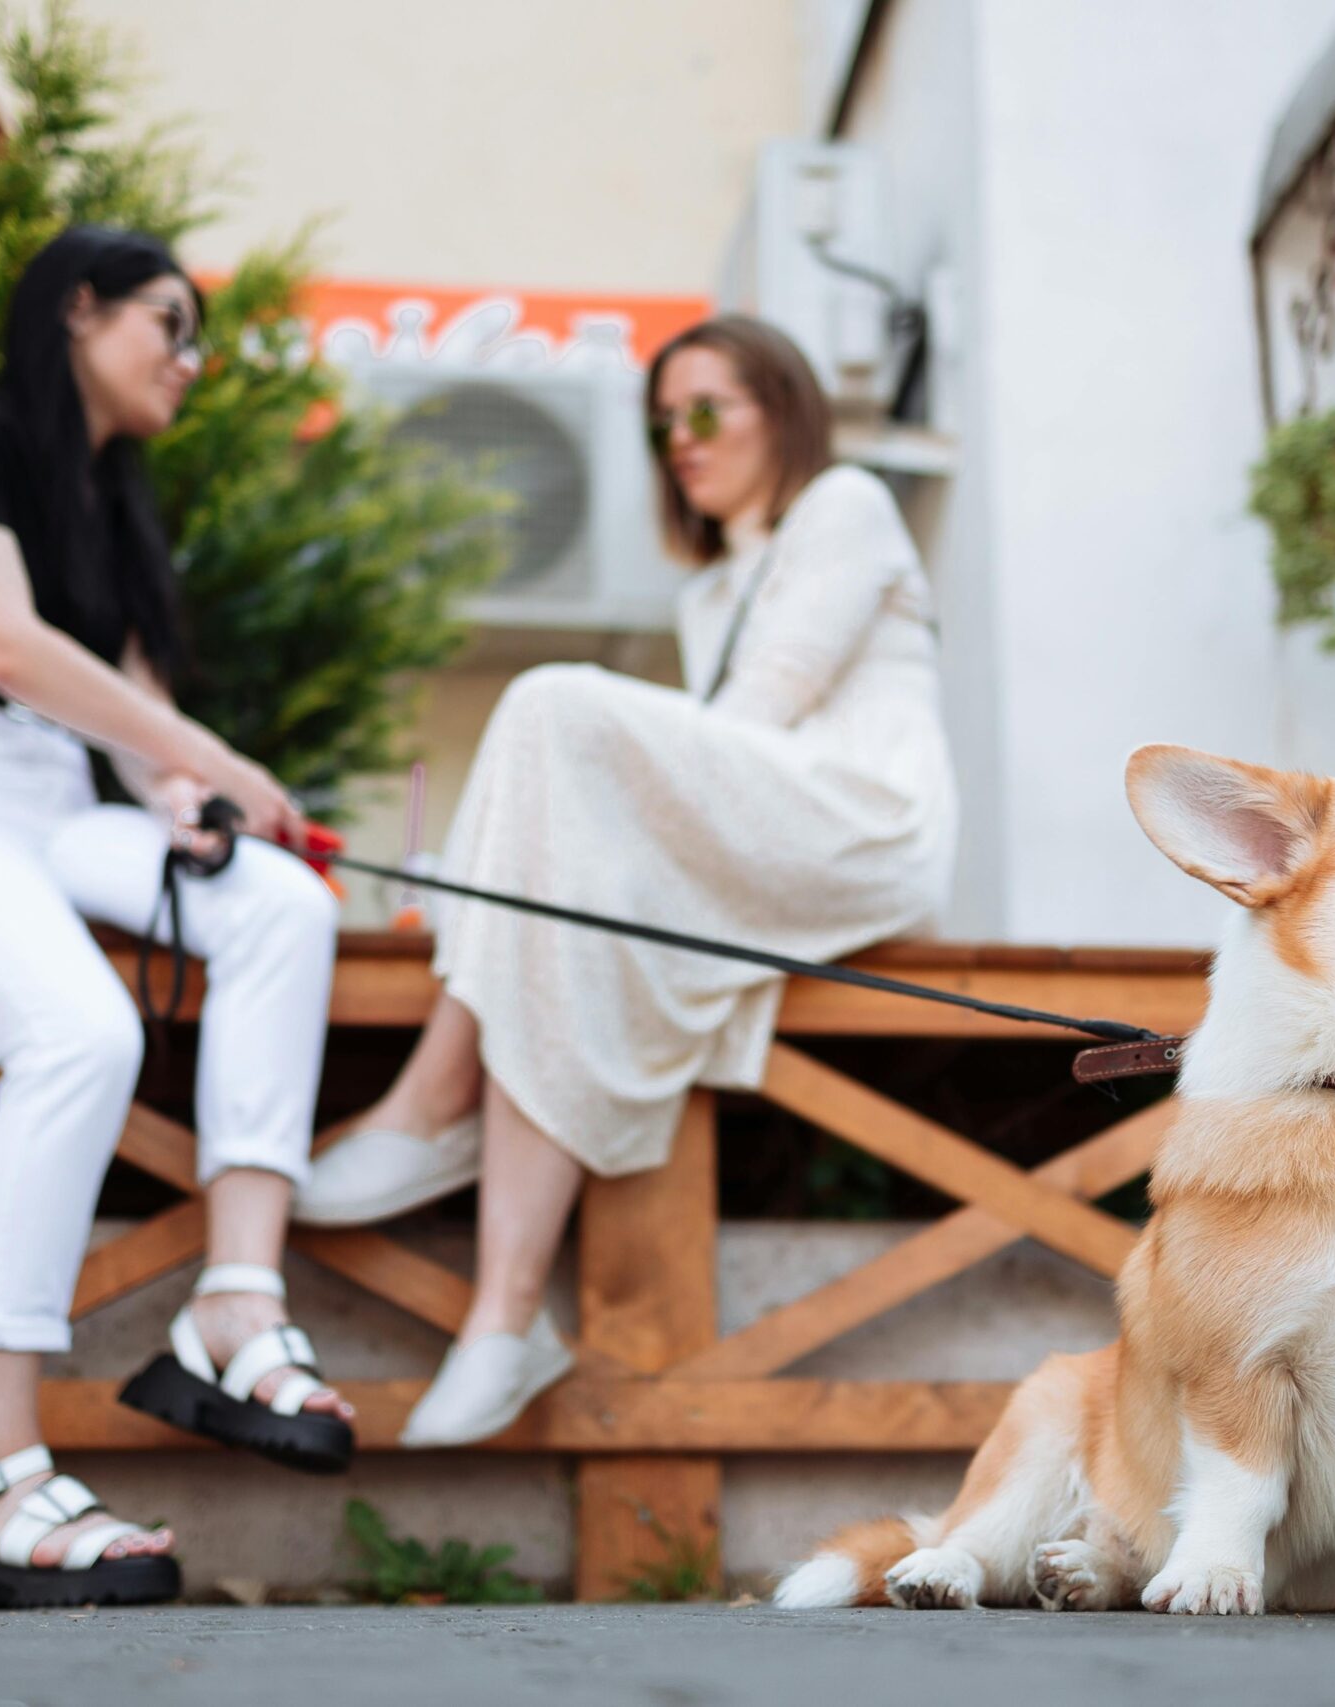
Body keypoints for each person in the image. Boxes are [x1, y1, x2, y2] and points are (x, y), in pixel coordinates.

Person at [295, 315, 958, 1446]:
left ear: (782, 408)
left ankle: (431, 1100)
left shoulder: (845, 503)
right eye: (663, 423)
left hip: (860, 826)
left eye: (706, 410)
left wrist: (625, 806)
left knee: (556, 709)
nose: (680, 441)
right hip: (766, 817)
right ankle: (504, 1326)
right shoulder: (709, 592)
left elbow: (757, 722)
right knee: (567, 925)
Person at [0, 226, 354, 1610]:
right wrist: (223, 760)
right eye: (168, 324)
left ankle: (237, 1301)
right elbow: (2, 646)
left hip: (51, 797)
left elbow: (120, 732)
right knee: (78, 1033)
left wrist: (188, 795)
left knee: (282, 907)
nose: (190, 356)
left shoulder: (111, 503)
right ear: (78, 311)